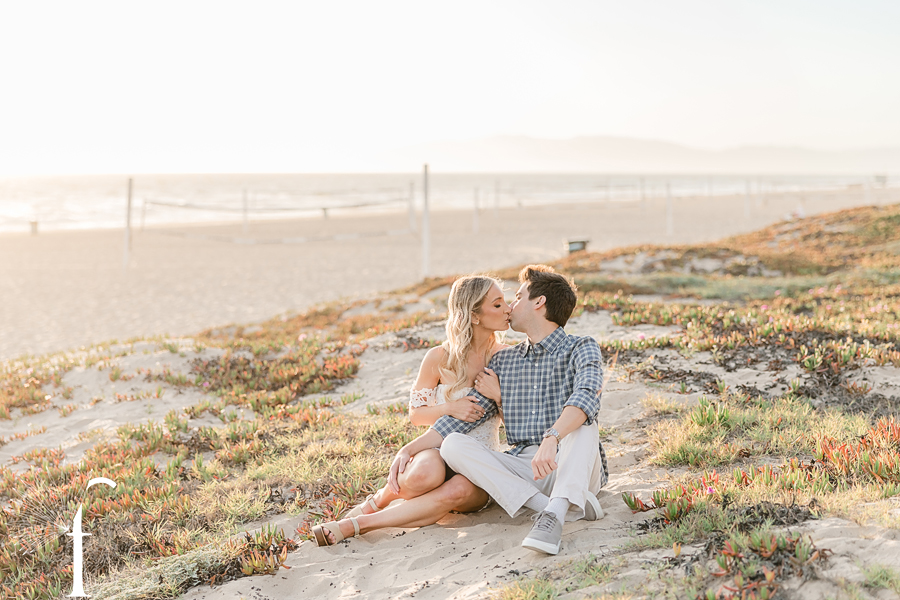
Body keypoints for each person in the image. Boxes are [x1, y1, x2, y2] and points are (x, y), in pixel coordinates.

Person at [389, 264, 606, 555]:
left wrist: (552, 437)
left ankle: (554, 515)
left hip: (574, 461)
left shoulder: (582, 347)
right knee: (454, 444)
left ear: (539, 302)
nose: (510, 306)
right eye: (503, 301)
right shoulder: (504, 361)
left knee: (583, 422)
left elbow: (586, 396)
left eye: (517, 297)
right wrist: (409, 448)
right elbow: (461, 422)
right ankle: (552, 507)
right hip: (527, 470)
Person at [312, 274, 510, 546]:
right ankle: (381, 499)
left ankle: (357, 524)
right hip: (438, 449)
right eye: (498, 304)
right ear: (474, 316)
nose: (508, 309)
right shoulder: (439, 357)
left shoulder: (507, 357)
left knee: (457, 492)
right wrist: (449, 408)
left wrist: (498, 397)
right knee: (422, 474)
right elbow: (416, 415)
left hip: (481, 460)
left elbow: (518, 423)